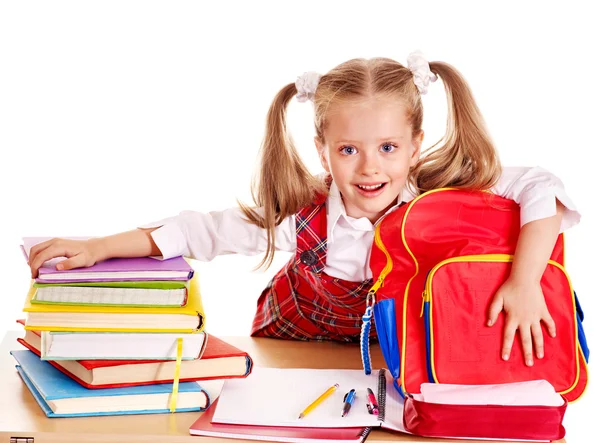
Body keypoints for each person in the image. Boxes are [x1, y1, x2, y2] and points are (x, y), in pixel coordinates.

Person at [28, 52, 579, 367]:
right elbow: (199, 232)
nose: (369, 169)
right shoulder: (301, 211)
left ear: (415, 145)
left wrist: (524, 281)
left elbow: (542, 187)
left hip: (387, 360)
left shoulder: (440, 198)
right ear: (322, 151)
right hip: (288, 354)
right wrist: (99, 246)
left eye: (388, 148)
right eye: (348, 150)